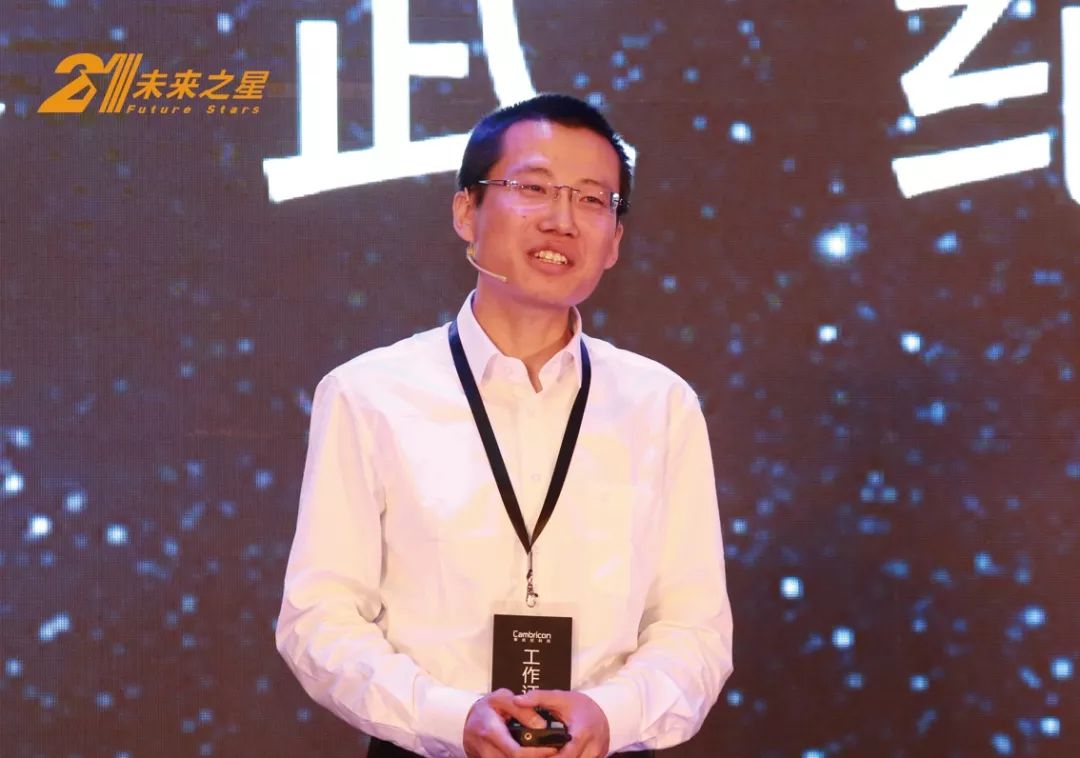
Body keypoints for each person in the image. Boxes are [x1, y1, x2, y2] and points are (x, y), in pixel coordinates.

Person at [277, 93, 733, 758]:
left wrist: (611, 713)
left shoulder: (660, 405)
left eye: (591, 199)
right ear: (467, 211)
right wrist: (448, 716)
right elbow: (319, 618)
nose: (561, 220)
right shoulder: (369, 394)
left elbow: (695, 628)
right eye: (533, 188)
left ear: (614, 240)